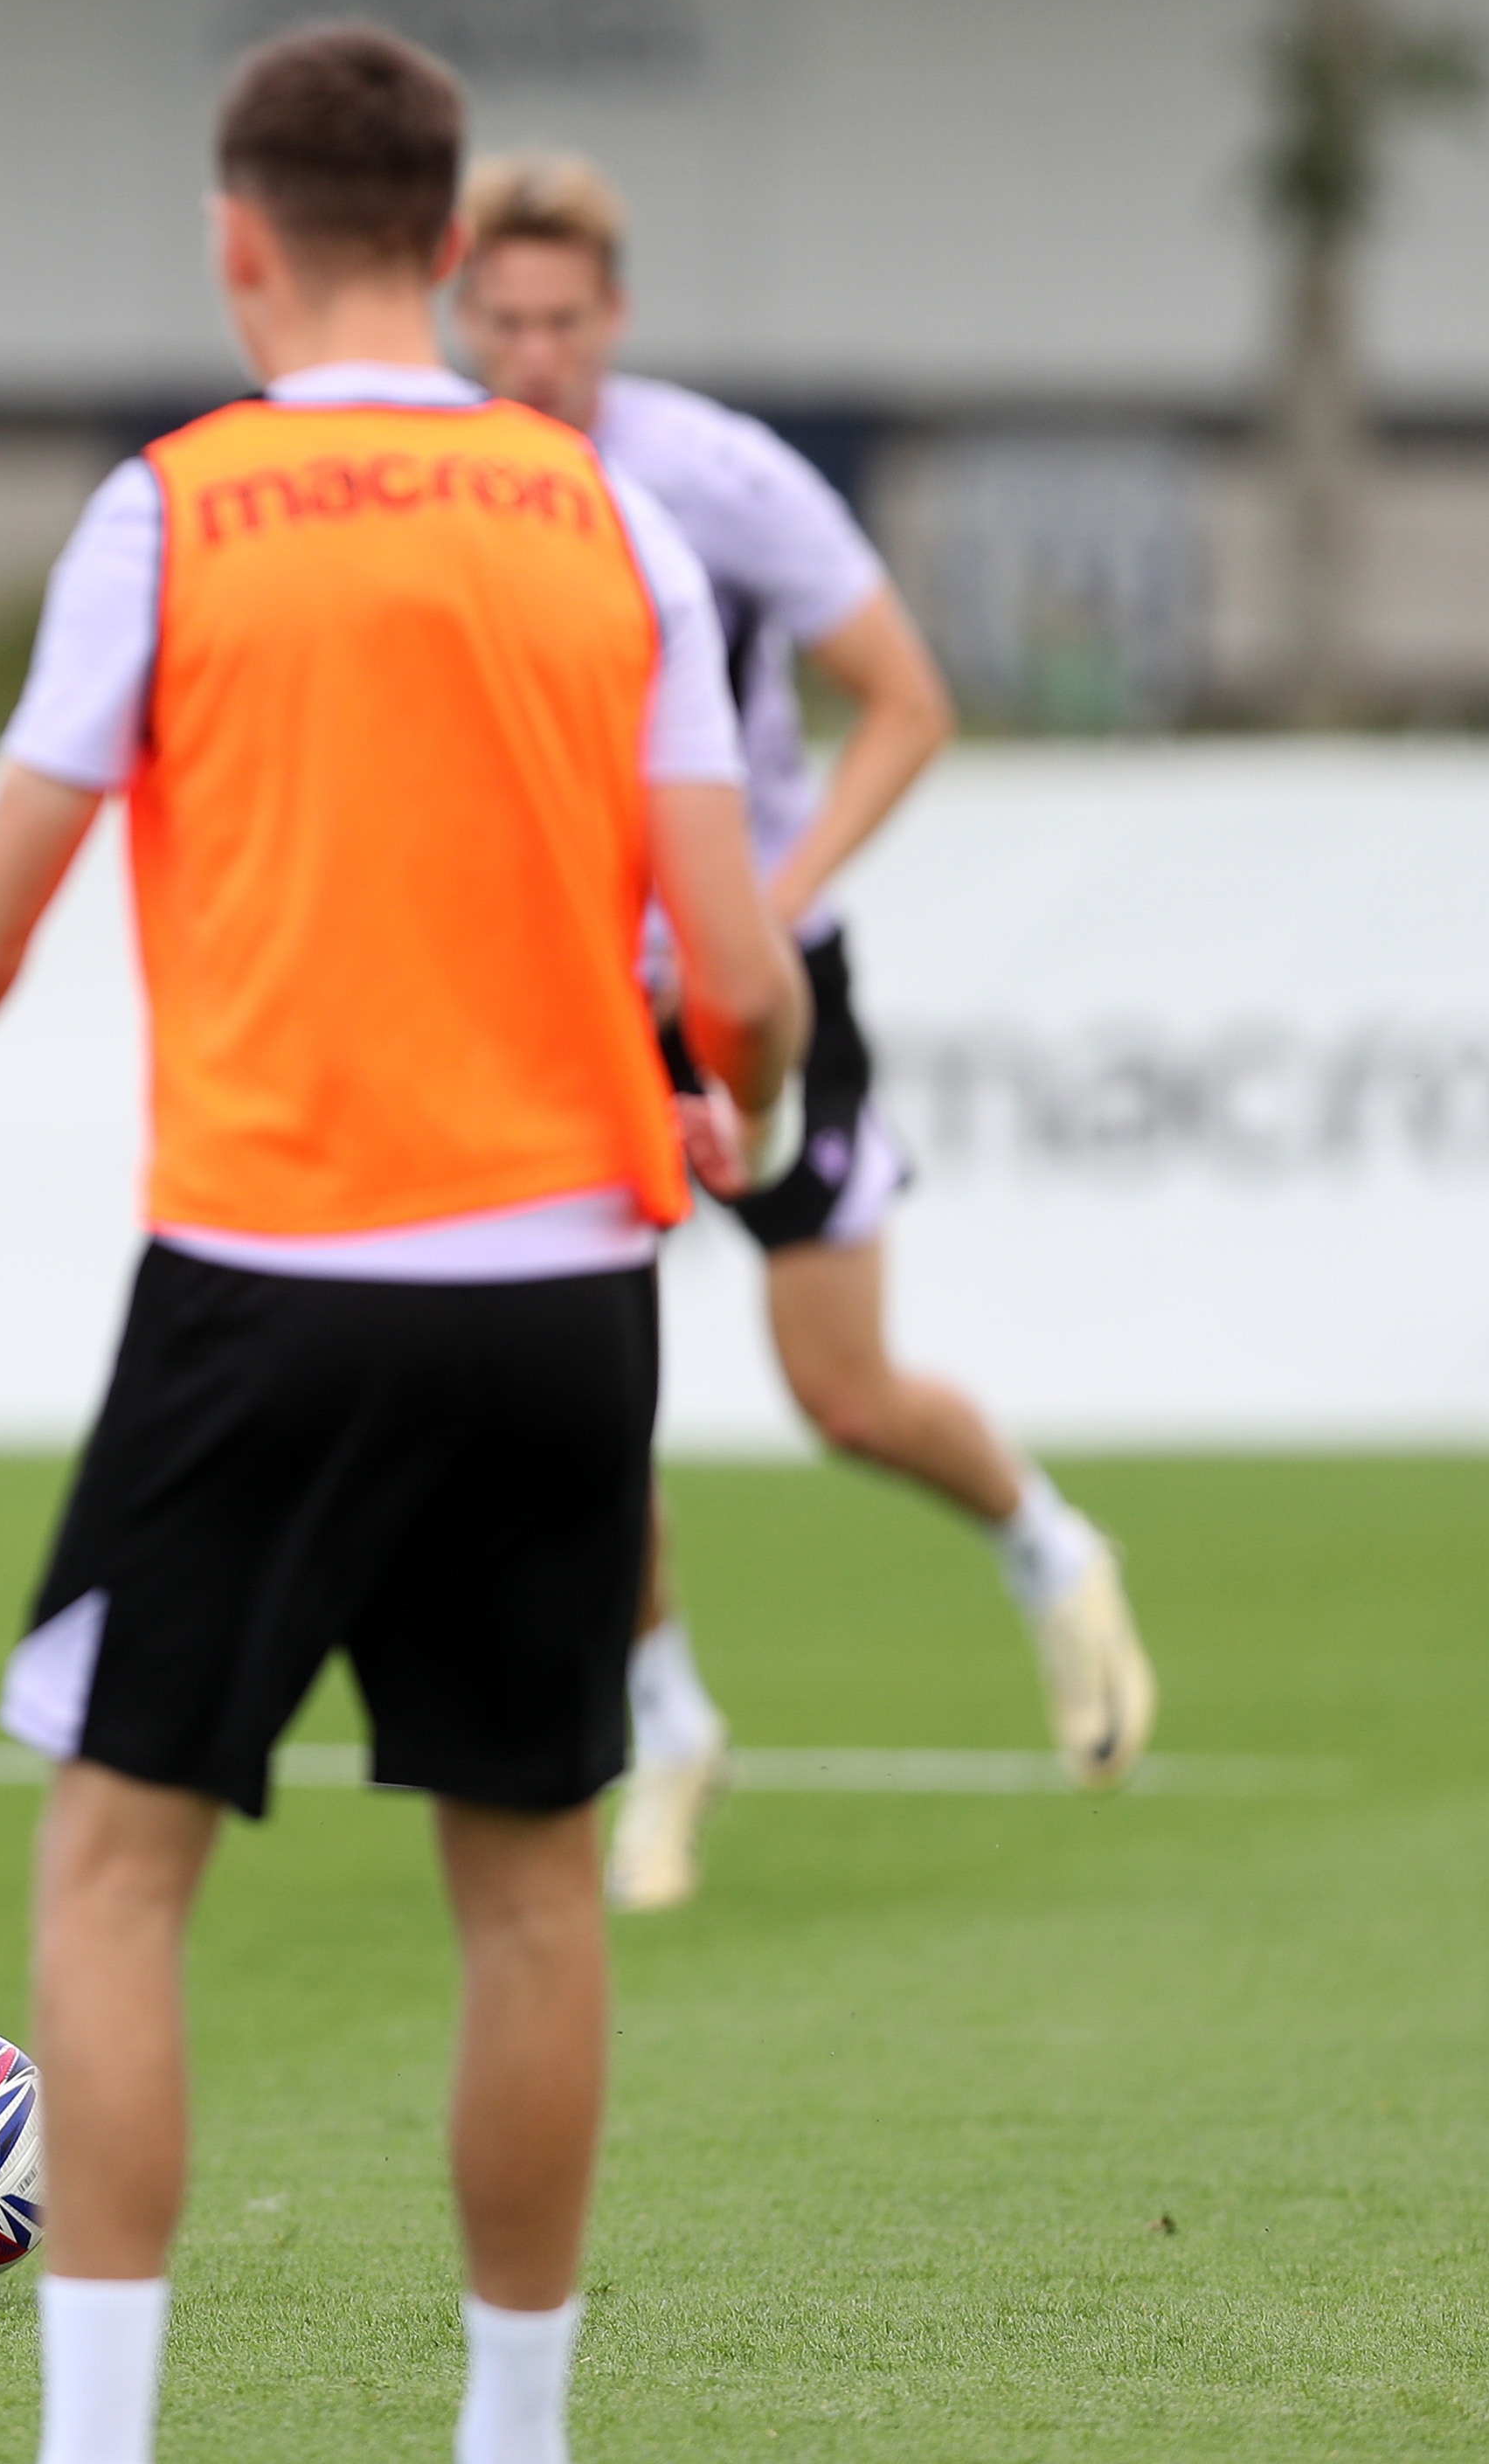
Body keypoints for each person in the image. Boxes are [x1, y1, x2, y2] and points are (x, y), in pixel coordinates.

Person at [0, 25, 803, 2464]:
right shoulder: (608, 525)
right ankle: (513, 2435)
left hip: (275, 1286)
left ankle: (102, 2443)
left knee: (117, 1882)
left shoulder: (174, 514)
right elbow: (740, 975)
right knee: (530, 1897)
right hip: (564, 1293)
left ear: (237, 243)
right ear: (455, 249)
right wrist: (736, 1107)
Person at [453, 151, 1160, 1911]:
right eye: (503, 317)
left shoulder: (721, 479)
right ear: (463, 312)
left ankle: (1051, 1549)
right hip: (559, 994)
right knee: (570, 1401)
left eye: (563, 318)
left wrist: (760, 906)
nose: (532, 349)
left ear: (611, 316)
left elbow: (908, 704)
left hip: (760, 986)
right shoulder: (439, 486)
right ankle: (668, 1724)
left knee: (843, 1393)